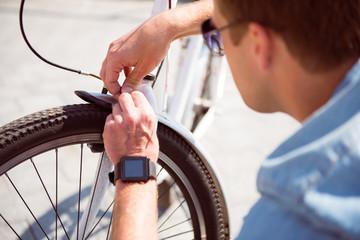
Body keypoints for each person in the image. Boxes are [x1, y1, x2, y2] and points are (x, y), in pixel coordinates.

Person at [101, 0, 360, 239]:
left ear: (259, 45)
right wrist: (170, 25)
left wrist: (135, 165)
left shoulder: (296, 220)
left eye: (216, 37)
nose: (214, 40)